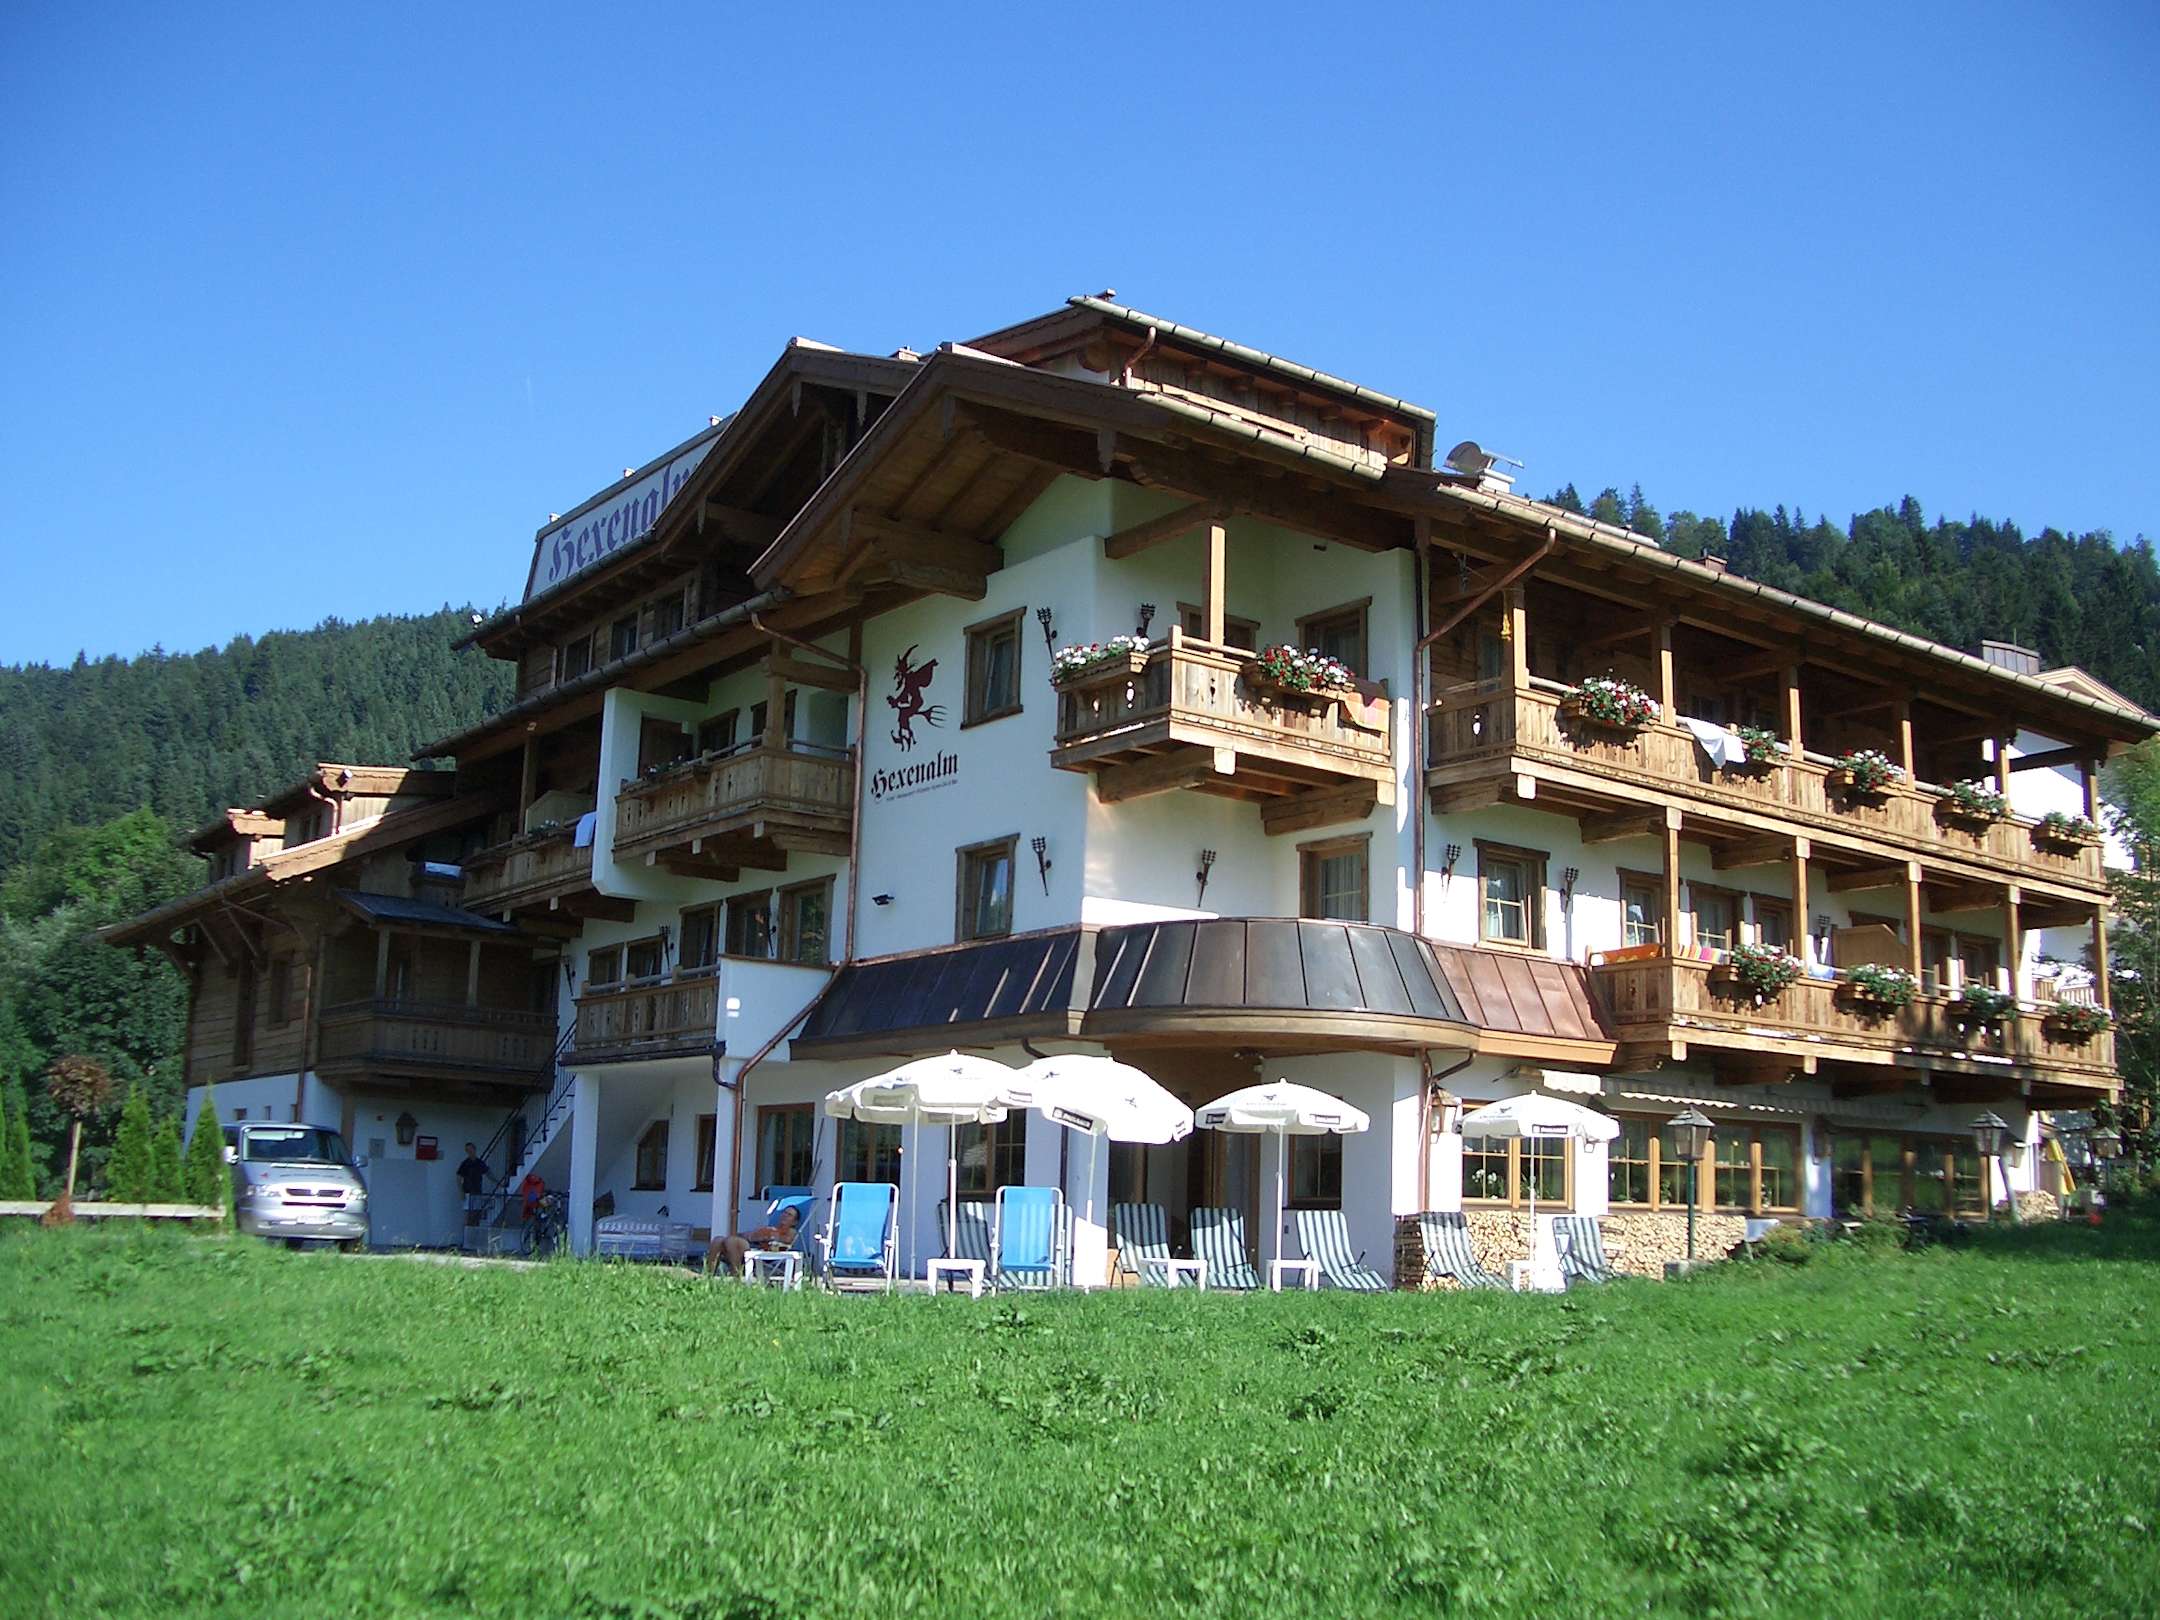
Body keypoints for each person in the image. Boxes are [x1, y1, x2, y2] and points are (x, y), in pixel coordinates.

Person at [706, 1204, 801, 1277]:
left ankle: (736, 1276)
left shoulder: (791, 1231)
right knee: (718, 1240)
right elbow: (750, 1235)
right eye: (784, 1213)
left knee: (732, 1241)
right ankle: (708, 1275)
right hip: (752, 1248)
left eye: (789, 1215)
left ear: (794, 1221)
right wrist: (753, 1235)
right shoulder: (771, 1228)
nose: (785, 1215)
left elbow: (783, 1241)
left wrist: (766, 1236)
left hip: (764, 1256)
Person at [456, 1143, 490, 1225]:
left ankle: (475, 1230)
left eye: (470, 1149)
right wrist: (461, 1191)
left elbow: (488, 1173)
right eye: (467, 1150)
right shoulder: (465, 1163)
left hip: (477, 1192)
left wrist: (499, 1182)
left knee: (476, 1213)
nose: (469, 1152)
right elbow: (458, 1177)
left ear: (474, 1149)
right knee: (468, 1214)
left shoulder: (480, 1163)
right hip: (468, 1192)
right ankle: (467, 1230)